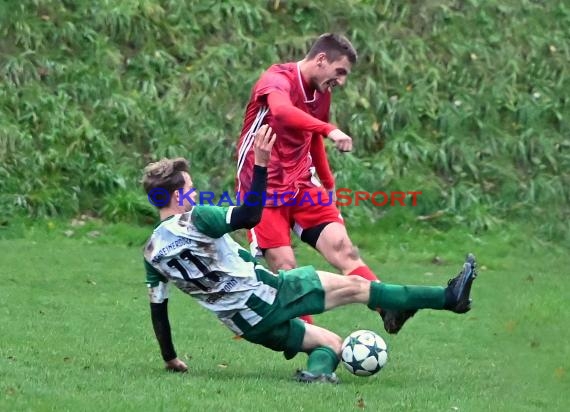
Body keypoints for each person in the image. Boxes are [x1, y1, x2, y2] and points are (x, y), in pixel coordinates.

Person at [143, 125, 479, 382]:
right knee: (360, 288)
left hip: (246, 324)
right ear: (175, 196)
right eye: (188, 187)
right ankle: (448, 298)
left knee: (332, 344)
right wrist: (261, 165)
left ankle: (318, 375)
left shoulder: (152, 253)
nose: (195, 191)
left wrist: (170, 357)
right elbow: (248, 216)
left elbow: (159, 312)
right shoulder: (197, 217)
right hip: (269, 294)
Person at [235, 33, 414, 332]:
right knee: (287, 272)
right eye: (340, 72)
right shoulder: (277, 78)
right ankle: (318, 346)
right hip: (262, 190)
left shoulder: (322, 93)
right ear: (321, 60)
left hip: (303, 186)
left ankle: (389, 306)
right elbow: (281, 111)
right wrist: (330, 129)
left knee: (345, 251)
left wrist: (328, 184)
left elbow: (312, 138)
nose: (341, 81)